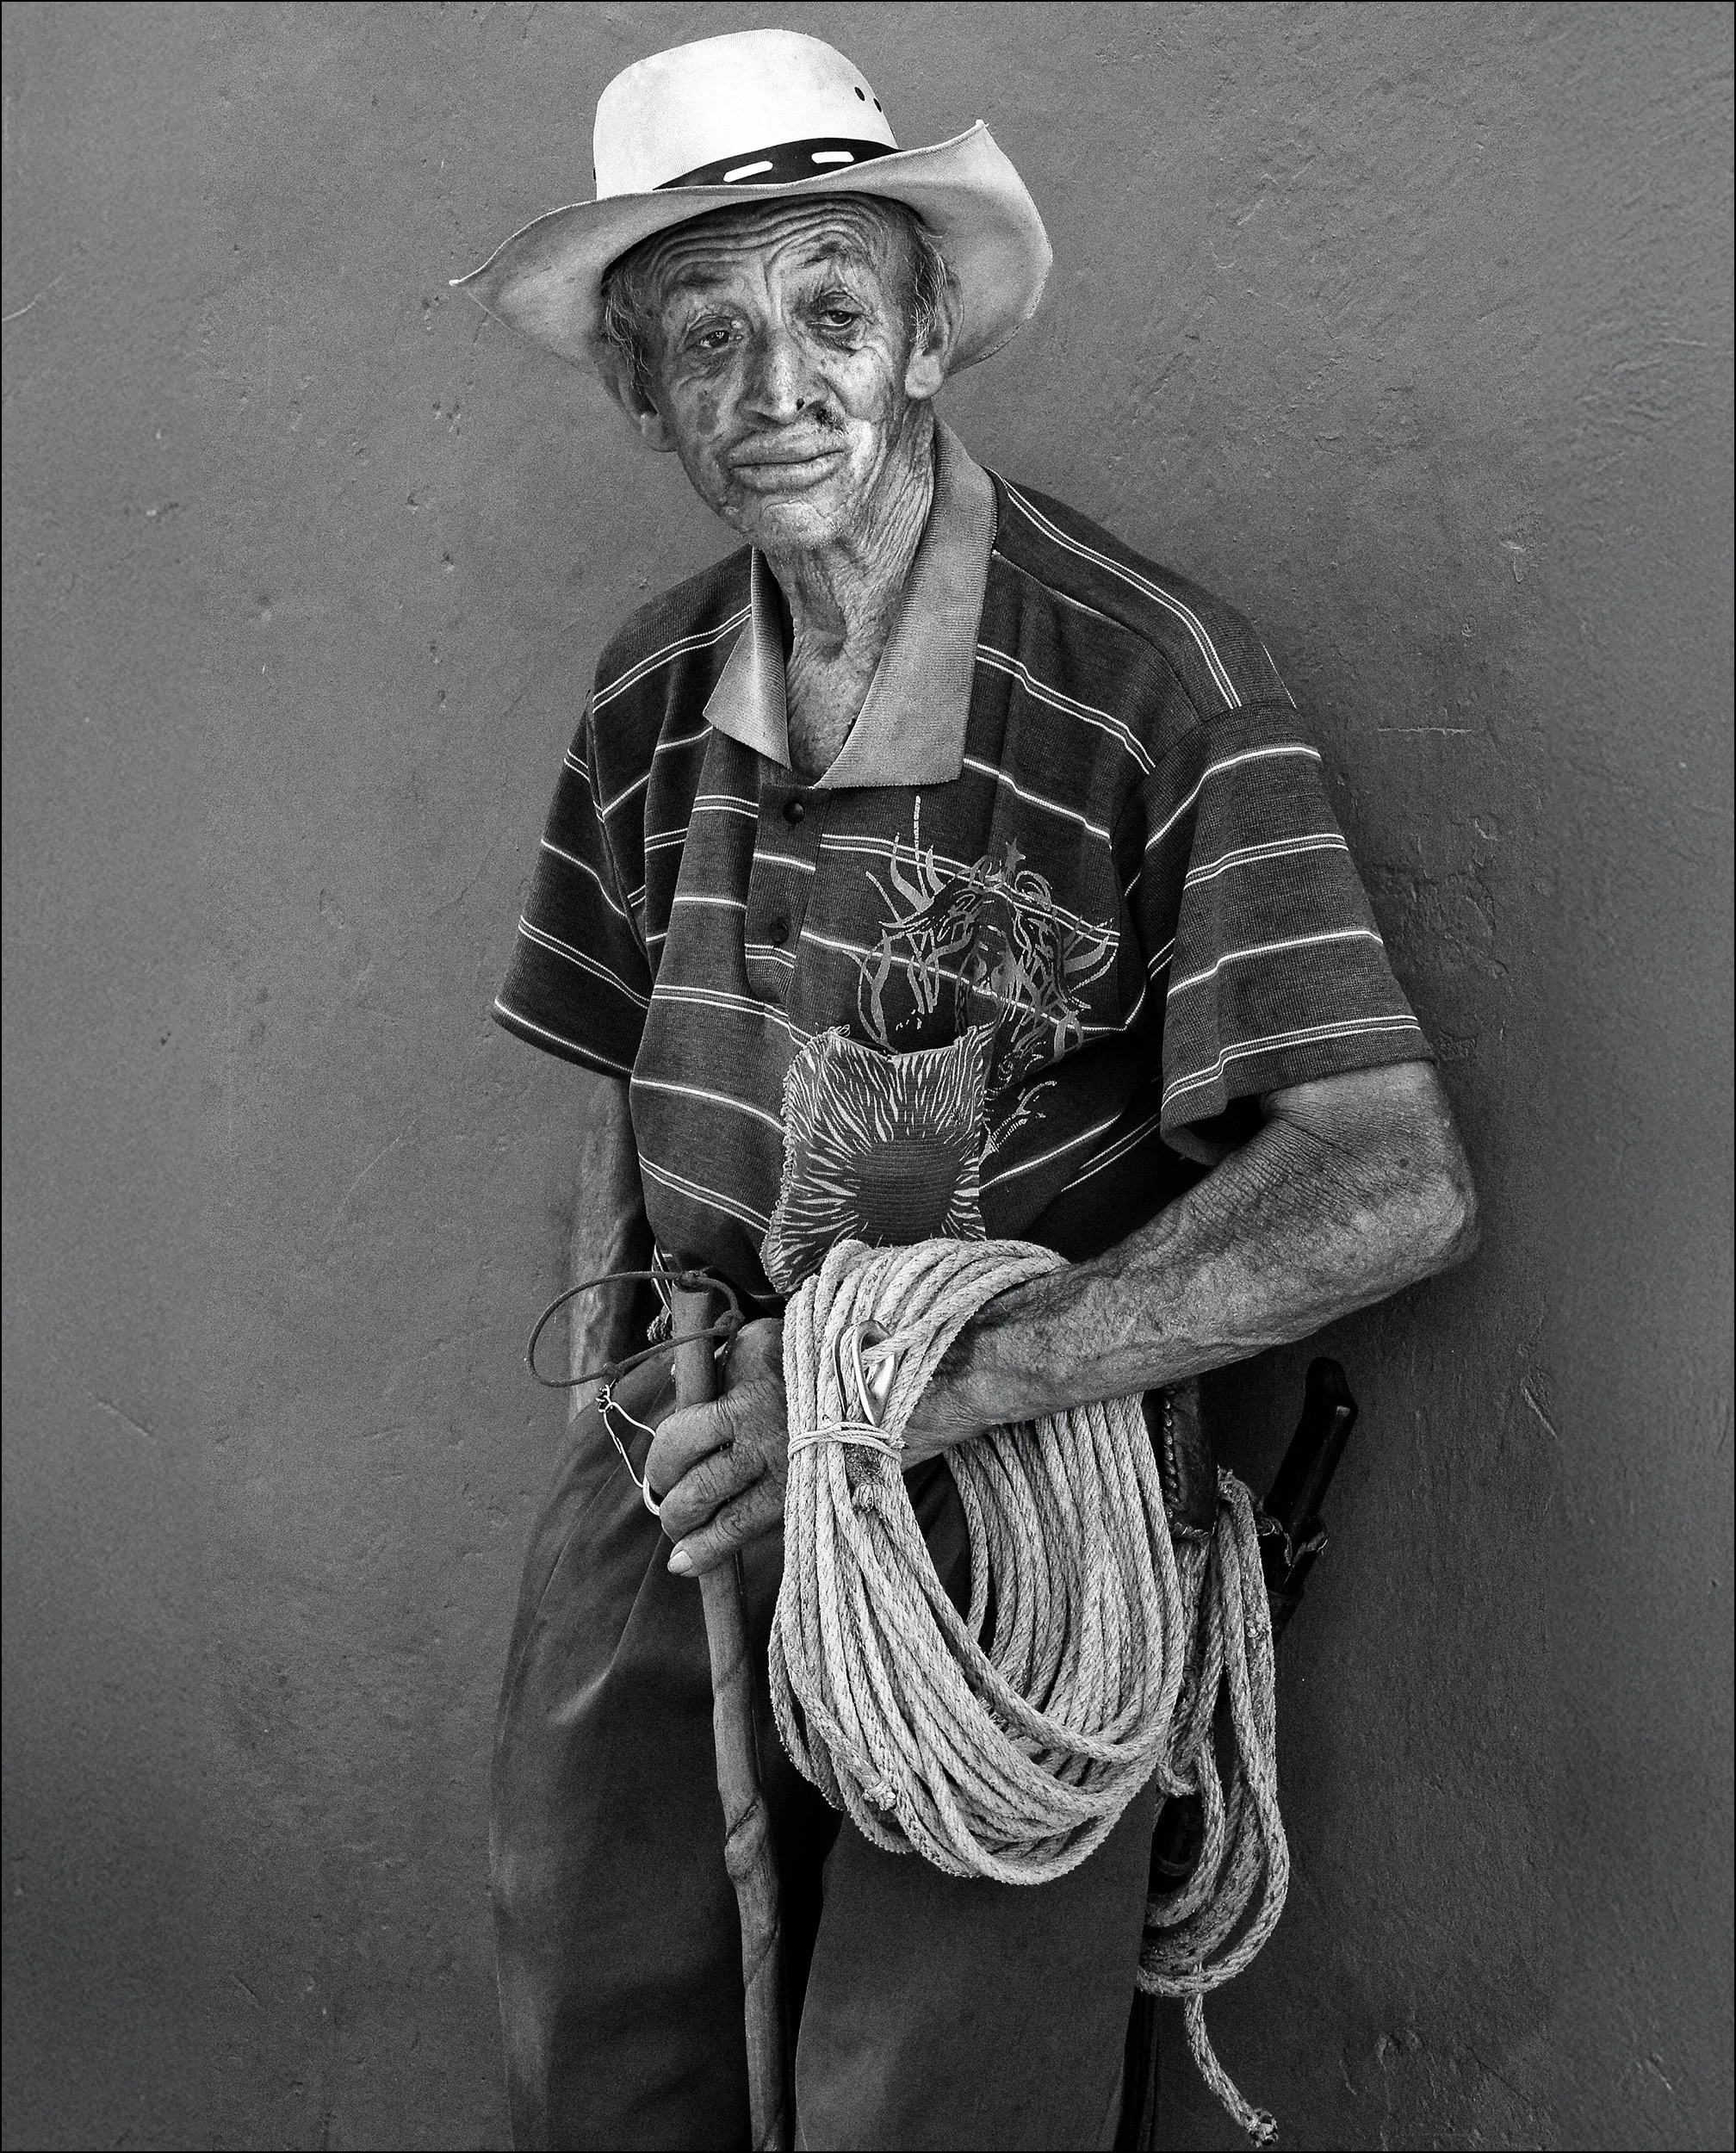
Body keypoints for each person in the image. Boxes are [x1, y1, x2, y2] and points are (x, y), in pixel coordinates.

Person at [463, 28, 1478, 2151]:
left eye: (833, 311)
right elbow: (617, 1085)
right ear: (644, 392)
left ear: (929, 338)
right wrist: (610, 1462)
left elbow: (1388, 1175)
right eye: (706, 336)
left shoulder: (1151, 682)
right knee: (603, 2030)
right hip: (691, 1450)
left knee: (929, 2102)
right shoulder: (650, 689)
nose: (778, 387)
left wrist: (914, 1396)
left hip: (1001, 1516)